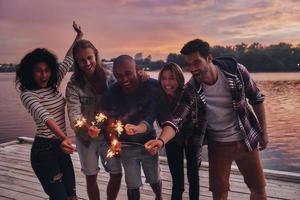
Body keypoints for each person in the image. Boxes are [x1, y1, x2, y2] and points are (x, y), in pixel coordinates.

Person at [145, 39, 268, 200]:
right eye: (189, 64)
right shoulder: (192, 89)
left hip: (246, 140)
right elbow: (177, 119)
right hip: (218, 145)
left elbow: (256, 99)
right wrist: (161, 141)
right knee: (219, 194)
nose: (193, 69)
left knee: (258, 190)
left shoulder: (236, 72)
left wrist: (264, 133)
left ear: (209, 58)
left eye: (197, 63)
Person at [15, 22, 83, 200]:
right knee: (59, 197)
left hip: (60, 146)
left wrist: (79, 36)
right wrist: (65, 138)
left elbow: (68, 60)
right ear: (30, 73)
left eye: (46, 70)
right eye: (38, 71)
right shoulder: (27, 95)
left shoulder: (53, 85)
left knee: (72, 195)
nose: (44, 75)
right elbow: (46, 118)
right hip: (44, 150)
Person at [62, 39, 122, 200]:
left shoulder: (111, 76)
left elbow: (129, 78)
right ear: (76, 62)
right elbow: (74, 115)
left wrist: (142, 75)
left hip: (110, 136)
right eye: (82, 60)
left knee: (116, 174)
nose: (87, 63)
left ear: (96, 55)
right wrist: (87, 128)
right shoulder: (73, 85)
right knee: (91, 176)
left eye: (90, 57)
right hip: (86, 139)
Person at [101, 55, 162, 200]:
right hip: (126, 147)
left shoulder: (150, 85)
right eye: (119, 76)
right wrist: (112, 142)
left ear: (138, 70)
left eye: (128, 73)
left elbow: (164, 88)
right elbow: (107, 123)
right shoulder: (111, 93)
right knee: (132, 185)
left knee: (154, 179)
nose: (124, 79)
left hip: (148, 144)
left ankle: (159, 197)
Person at [157, 63, 202, 200]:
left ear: (179, 79)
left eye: (171, 78)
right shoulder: (159, 96)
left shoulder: (187, 93)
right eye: (163, 78)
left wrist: (161, 140)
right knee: (177, 182)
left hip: (192, 137)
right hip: (171, 139)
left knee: (193, 177)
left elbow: (178, 118)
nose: (167, 83)